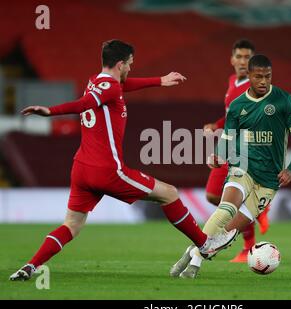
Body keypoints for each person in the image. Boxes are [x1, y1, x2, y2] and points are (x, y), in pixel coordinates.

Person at [10, 39, 237, 281]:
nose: (131, 68)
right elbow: (85, 103)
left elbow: (119, 86)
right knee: (169, 193)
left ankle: (30, 266)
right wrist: (50, 111)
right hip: (107, 170)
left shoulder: (96, 82)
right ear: (120, 64)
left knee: (72, 225)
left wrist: (159, 80)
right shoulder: (109, 88)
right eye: (129, 64)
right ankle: (205, 244)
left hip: (81, 169)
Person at [170, 54, 291, 278]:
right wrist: (217, 155)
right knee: (225, 209)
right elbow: (227, 137)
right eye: (258, 77)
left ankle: (192, 250)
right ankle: (195, 264)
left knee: (229, 232)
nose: (263, 81)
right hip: (242, 167)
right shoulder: (237, 106)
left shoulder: (284, 100)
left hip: (269, 182)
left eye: (268, 77)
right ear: (249, 76)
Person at [203, 39, 270, 264]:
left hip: (243, 149)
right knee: (212, 195)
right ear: (232, 60)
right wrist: (216, 124)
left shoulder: (255, 88)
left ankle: (248, 246)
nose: (243, 61)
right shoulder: (233, 81)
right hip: (227, 143)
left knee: (228, 201)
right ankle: (256, 210)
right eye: (239, 57)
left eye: (247, 58)